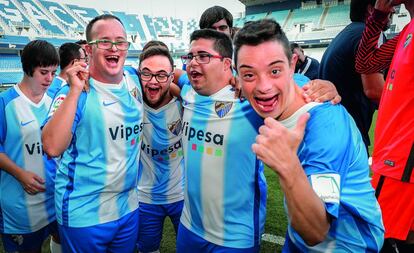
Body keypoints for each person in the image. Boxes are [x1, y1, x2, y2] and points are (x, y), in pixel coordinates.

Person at [234, 19, 384, 252]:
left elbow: (316, 231)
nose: (264, 86)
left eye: (274, 71)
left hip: (348, 245)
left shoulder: (327, 129)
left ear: (292, 64)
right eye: (249, 74)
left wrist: (288, 165)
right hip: (298, 234)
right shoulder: (300, 85)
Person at [42, 14, 144, 253]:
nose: (114, 48)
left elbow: (172, 77)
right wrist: (75, 91)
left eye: (120, 41)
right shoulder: (75, 91)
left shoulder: (134, 79)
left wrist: (231, 81)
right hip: (84, 212)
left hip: (128, 207)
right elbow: (51, 146)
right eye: (105, 42)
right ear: (88, 49)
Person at [355, 0, 414, 252]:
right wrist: (378, 16)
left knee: (383, 241)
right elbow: (365, 65)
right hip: (391, 160)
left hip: (402, 166)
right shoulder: (407, 30)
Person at [0, 40, 61, 253]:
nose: (50, 78)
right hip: (21, 208)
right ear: (27, 69)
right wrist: (20, 174)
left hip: (56, 201)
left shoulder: (55, 100)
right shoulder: (5, 103)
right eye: (44, 72)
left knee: (62, 243)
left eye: (54, 72)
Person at [319, 0, 389, 153]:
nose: (393, 11)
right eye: (389, 5)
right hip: (350, 131)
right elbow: (375, 91)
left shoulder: (347, 33)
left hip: (331, 129)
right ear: (371, 9)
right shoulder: (370, 33)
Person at [137, 45, 184, 253]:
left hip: (182, 196)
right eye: (147, 73)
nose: (153, 80)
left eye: (161, 75)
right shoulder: (131, 104)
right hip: (145, 198)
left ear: (170, 76)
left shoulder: (186, 102)